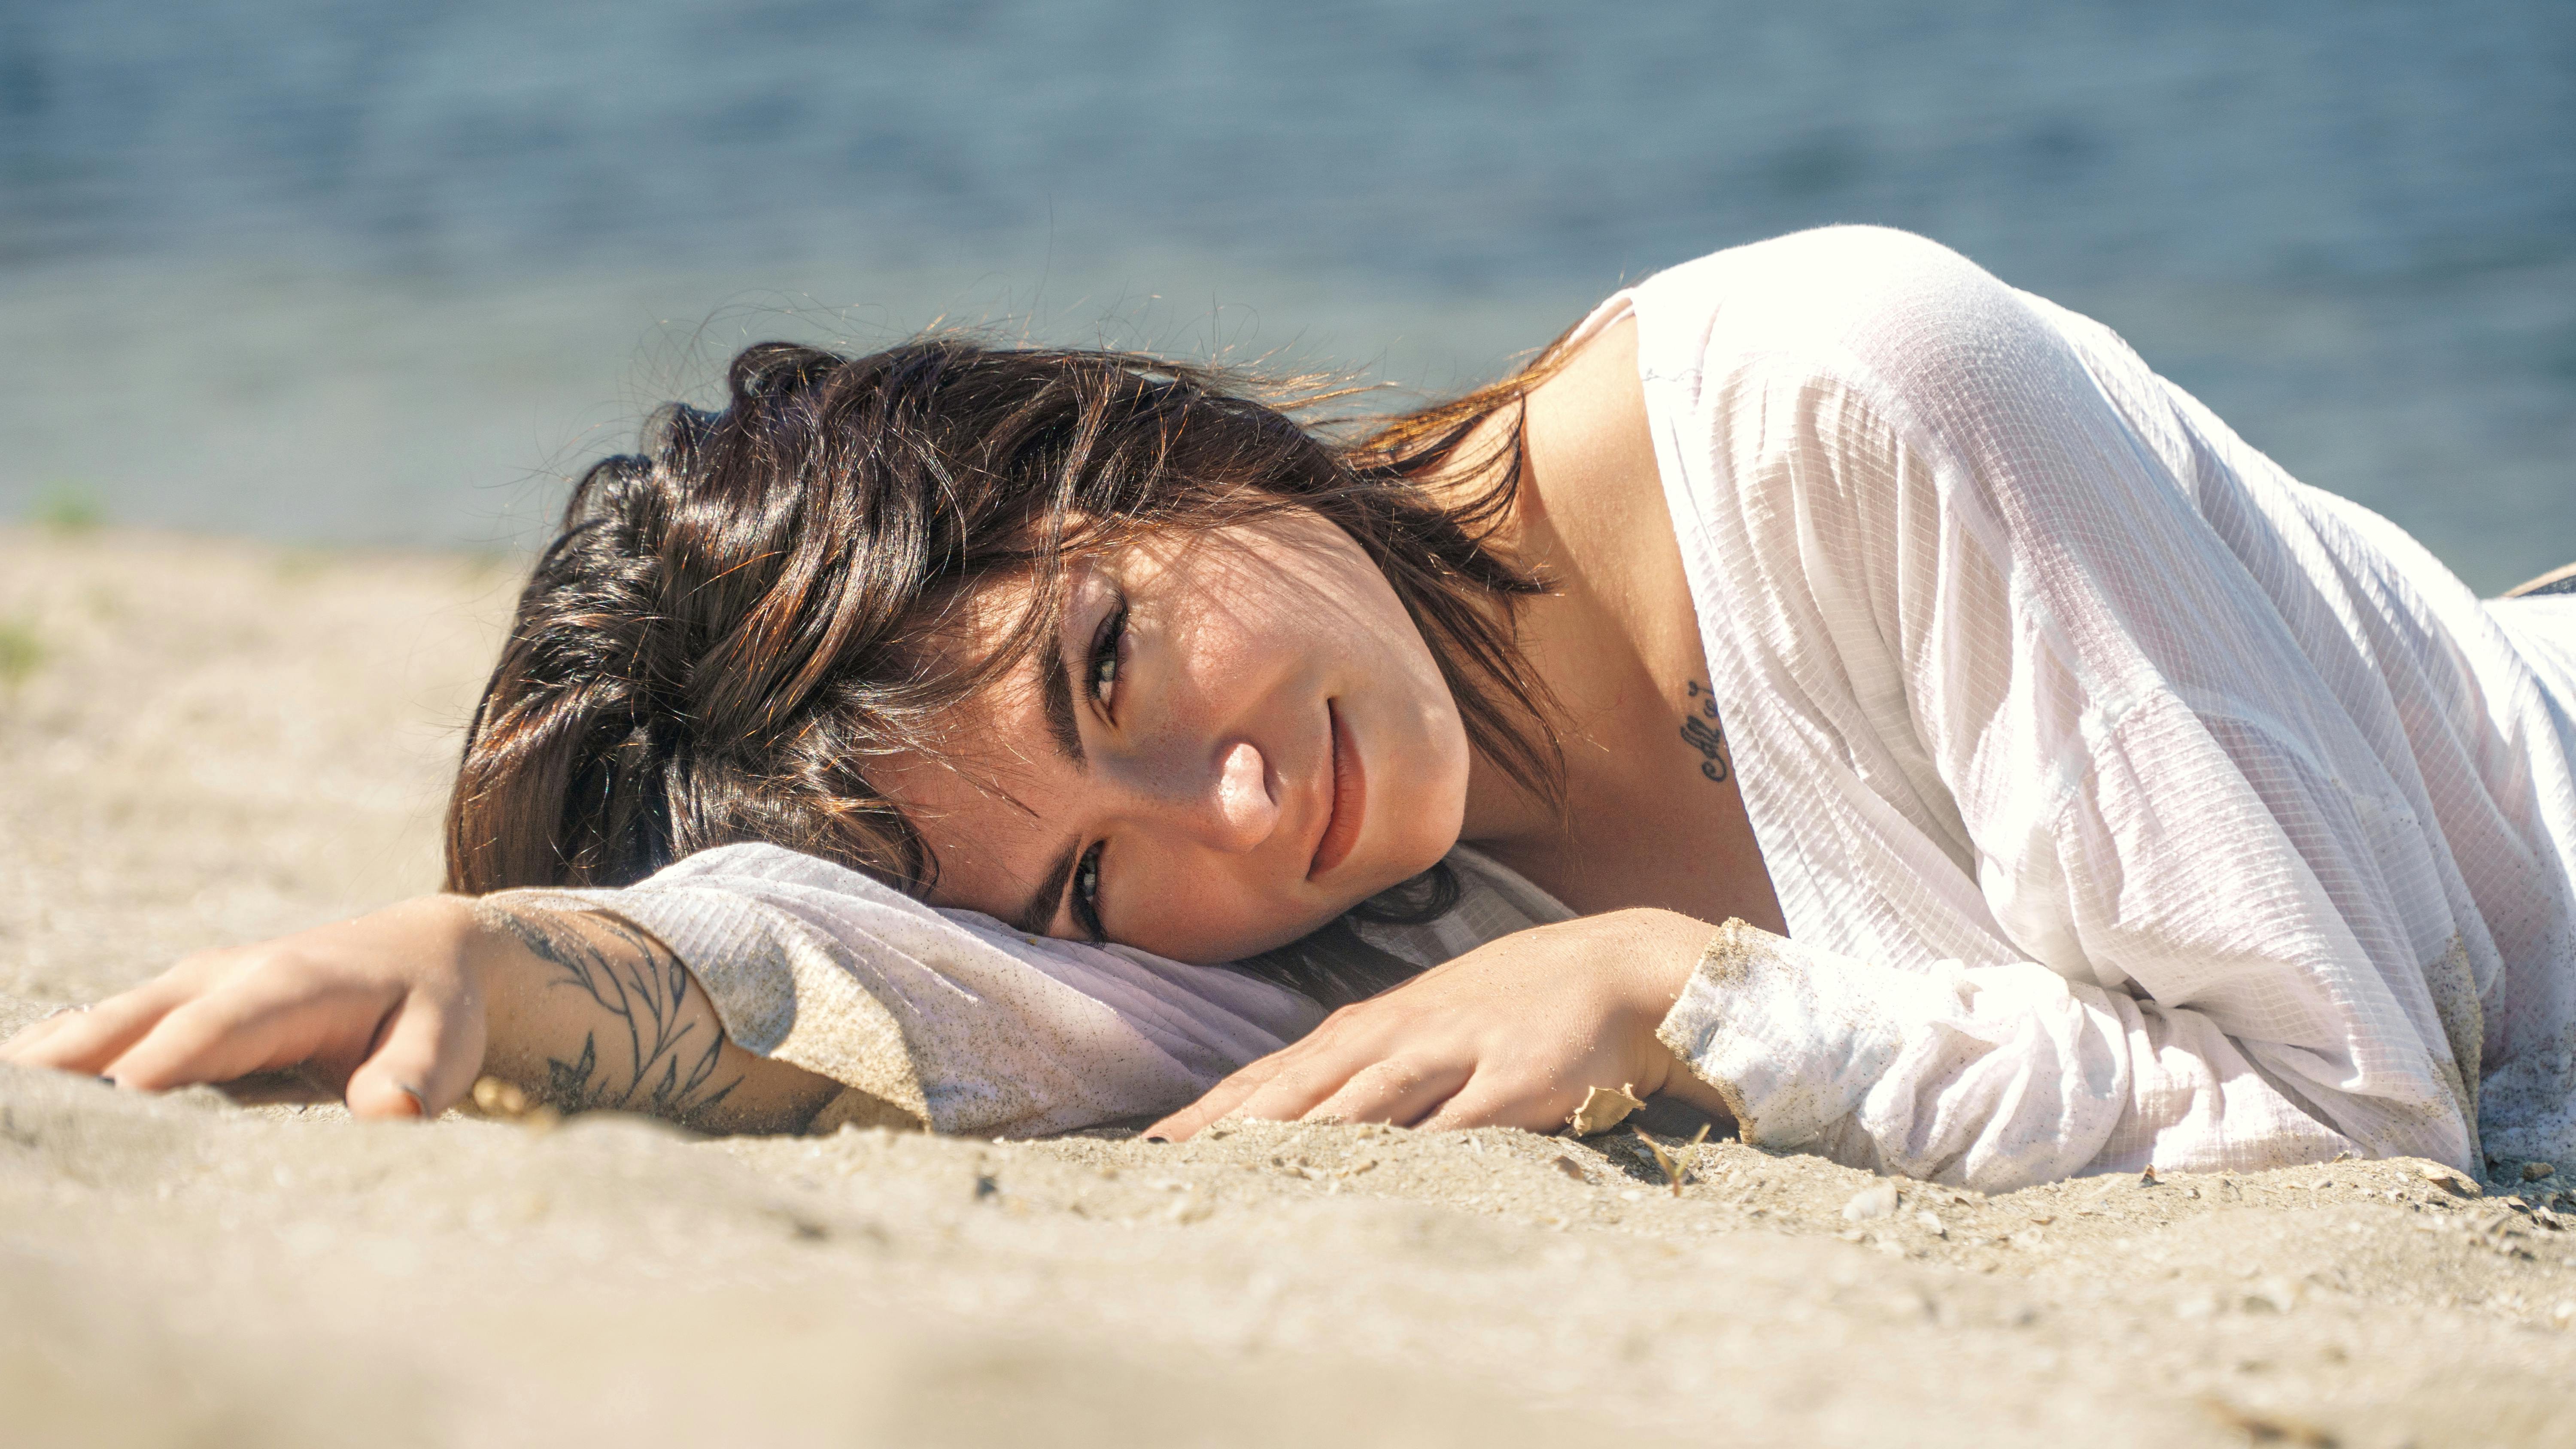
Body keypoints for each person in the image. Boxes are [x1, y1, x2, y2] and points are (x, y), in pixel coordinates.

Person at [7, 226, 2573, 1190]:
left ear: (1111, 448)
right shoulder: (1272, 904)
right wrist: (538, 973)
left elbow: (2359, 1113)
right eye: (1108, 872)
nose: (1235, 810)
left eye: (1110, 659)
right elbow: (907, 979)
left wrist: (1686, 1002)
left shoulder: (1854, 392)